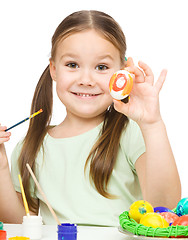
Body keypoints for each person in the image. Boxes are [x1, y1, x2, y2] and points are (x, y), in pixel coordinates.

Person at [0, 10, 181, 226]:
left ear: (122, 73)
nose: (86, 80)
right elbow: (17, 226)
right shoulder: (31, 145)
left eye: (101, 67)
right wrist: (1, 167)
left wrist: (152, 124)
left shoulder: (131, 132)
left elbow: (166, 208)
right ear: (54, 69)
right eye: (72, 65)